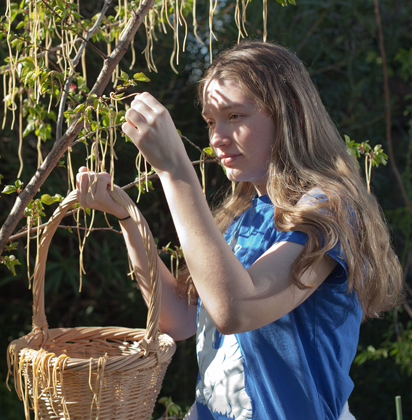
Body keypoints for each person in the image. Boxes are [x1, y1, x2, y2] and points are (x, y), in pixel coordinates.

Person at [75, 41, 403, 420]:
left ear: (289, 113)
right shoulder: (241, 214)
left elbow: (236, 310)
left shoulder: (327, 212)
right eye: (211, 121)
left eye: (235, 116)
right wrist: (130, 221)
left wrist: (175, 170)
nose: (216, 137)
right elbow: (180, 319)